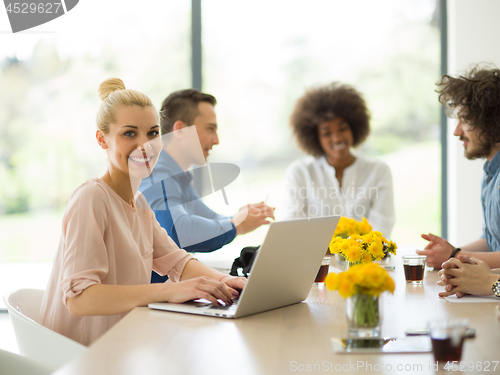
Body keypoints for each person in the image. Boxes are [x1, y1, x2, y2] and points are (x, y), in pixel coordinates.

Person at [39, 79, 246, 346]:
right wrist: (169, 291)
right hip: (81, 356)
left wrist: (229, 282)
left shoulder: (140, 204)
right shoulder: (91, 198)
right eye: (129, 133)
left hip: (123, 345)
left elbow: (178, 263)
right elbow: (79, 299)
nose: (145, 145)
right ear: (102, 140)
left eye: (152, 133)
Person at [138, 89, 275, 283]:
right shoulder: (156, 174)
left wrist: (239, 216)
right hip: (145, 304)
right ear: (180, 131)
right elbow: (179, 231)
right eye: (210, 128)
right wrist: (235, 224)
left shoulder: (178, 176)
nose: (216, 140)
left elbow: (209, 218)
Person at [282, 82, 395, 236]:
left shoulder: (378, 171)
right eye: (327, 133)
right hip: (316, 260)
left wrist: (345, 247)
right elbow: (293, 227)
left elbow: (382, 226)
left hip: (365, 259)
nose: (336, 138)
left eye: (342, 129)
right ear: (315, 138)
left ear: (354, 128)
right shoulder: (300, 172)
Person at [418, 66, 500, 269]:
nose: (456, 131)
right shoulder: (491, 173)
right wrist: (448, 254)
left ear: (491, 123)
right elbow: (491, 243)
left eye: (465, 120)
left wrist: (454, 255)